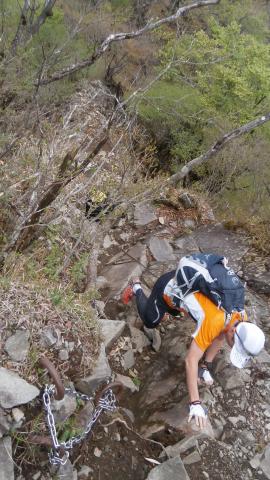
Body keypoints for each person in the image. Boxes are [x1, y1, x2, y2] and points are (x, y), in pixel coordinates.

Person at [121, 259, 265, 429]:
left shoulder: (240, 316)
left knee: (177, 312)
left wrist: (205, 367)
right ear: (234, 332)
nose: (232, 347)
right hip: (167, 288)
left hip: (183, 292)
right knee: (150, 320)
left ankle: (166, 310)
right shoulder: (215, 321)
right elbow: (190, 361)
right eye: (235, 345)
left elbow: (221, 335)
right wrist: (195, 403)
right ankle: (136, 287)